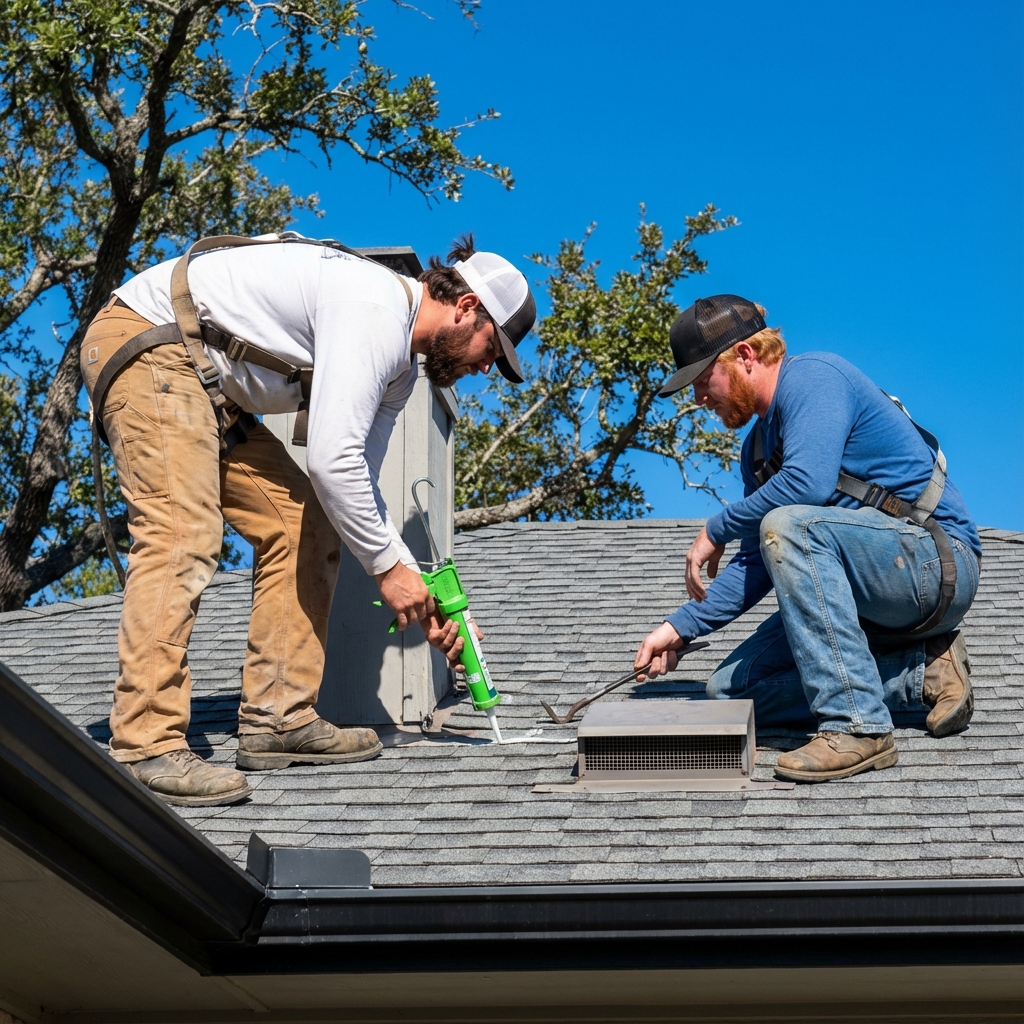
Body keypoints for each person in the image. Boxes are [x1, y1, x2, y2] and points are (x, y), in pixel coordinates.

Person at [81, 233, 534, 806]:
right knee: (183, 534)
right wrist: (390, 572)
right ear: (466, 307)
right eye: (493, 348)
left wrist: (420, 594)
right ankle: (146, 740)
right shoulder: (375, 306)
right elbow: (331, 458)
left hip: (205, 380)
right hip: (152, 343)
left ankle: (279, 717)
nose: (488, 367)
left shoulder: (399, 370)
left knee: (308, 520)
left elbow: (355, 486)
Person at [635, 295, 979, 782]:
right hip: (860, 596)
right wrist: (680, 627)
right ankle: (921, 673)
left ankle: (858, 727)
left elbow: (806, 486)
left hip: (934, 567)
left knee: (787, 525)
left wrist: (715, 528)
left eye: (701, 379)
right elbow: (758, 560)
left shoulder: (815, 378)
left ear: (744, 355)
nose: (698, 398)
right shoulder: (757, 451)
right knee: (730, 693)